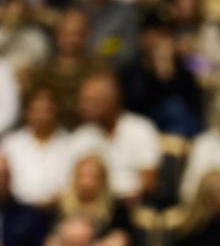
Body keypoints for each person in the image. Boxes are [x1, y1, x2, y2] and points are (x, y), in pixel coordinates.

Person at [69, 71, 161, 201]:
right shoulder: (81, 136)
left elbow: (149, 183)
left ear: (111, 100)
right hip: (93, 207)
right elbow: (73, 184)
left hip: (132, 206)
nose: (83, 107)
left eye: (91, 101)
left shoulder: (141, 129)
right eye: (83, 100)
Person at [119, 13, 203, 138]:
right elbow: (135, 106)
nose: (158, 41)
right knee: (173, 107)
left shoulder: (183, 71)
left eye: (164, 35)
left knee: (176, 107)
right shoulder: (131, 71)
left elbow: (194, 107)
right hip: (142, 130)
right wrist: (158, 73)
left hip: (182, 132)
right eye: (153, 34)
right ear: (142, 38)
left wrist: (168, 71)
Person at [26, 7, 108, 129]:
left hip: (89, 131)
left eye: (76, 34)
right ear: (57, 35)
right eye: (66, 33)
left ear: (87, 36)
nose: (70, 39)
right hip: (51, 135)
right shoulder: (42, 71)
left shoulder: (99, 70)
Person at [56, 154, 135, 246]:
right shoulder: (62, 207)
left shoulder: (116, 207)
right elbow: (51, 245)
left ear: (103, 179)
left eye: (92, 177)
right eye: (82, 176)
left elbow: (120, 241)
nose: (86, 182)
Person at [0, 86, 75, 207]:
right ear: (27, 112)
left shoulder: (71, 145)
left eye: (47, 110)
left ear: (56, 111)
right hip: (17, 211)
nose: (42, 116)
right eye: (36, 110)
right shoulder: (10, 145)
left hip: (57, 210)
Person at [74, 0, 138, 67]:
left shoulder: (124, 12)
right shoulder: (75, 8)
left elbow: (128, 49)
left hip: (113, 69)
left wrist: (104, 51)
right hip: (79, 69)